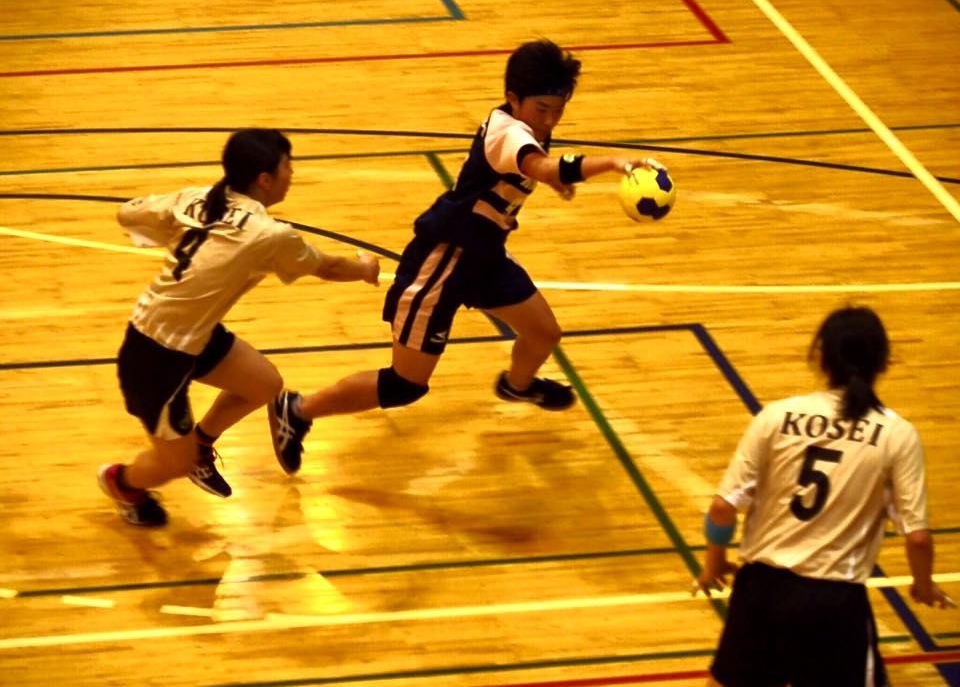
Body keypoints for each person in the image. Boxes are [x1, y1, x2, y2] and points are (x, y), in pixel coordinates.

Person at [266, 38, 668, 473]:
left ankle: (517, 386)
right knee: (405, 384)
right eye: (542, 109)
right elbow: (540, 166)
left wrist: (553, 180)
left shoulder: (530, 126)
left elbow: (529, 169)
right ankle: (297, 409)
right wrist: (610, 163)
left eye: (558, 109)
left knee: (543, 334)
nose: (550, 119)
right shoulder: (508, 131)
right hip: (443, 260)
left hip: (485, 256)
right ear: (513, 98)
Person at [98, 128, 380, 526]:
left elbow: (127, 213)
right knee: (173, 464)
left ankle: (200, 444)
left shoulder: (195, 197)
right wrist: (366, 268)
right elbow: (330, 267)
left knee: (265, 384)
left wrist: (177, 230)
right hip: (155, 354)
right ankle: (122, 483)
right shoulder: (269, 235)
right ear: (264, 180)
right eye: (287, 166)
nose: (292, 173)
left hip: (195, 335)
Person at [694, 305, 955, 686]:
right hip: (833, 605)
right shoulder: (897, 435)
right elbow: (917, 538)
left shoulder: (775, 416)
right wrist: (923, 584)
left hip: (760, 593)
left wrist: (714, 564)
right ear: (885, 361)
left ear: (820, 356)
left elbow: (721, 508)